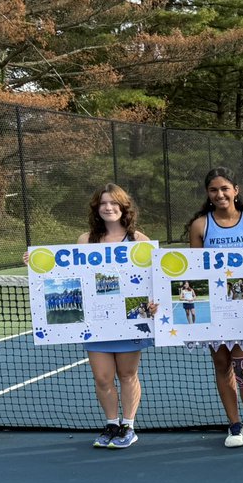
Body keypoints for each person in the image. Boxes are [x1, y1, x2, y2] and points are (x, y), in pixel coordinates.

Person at [186, 166, 243, 448]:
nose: (219, 194)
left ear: (236, 190)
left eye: (224, 188)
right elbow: (196, 270)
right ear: (207, 194)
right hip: (215, 309)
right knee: (222, 365)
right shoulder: (200, 226)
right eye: (213, 190)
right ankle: (234, 425)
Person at [72, 184, 156, 449]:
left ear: (123, 207)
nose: (108, 207)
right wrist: (37, 262)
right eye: (103, 203)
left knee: (127, 374)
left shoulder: (139, 240)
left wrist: (155, 303)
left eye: (114, 203)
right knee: (102, 378)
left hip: (131, 318)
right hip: (97, 321)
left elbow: (155, 278)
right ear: (96, 208)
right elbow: (69, 274)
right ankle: (111, 423)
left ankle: (128, 426)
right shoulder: (85, 240)